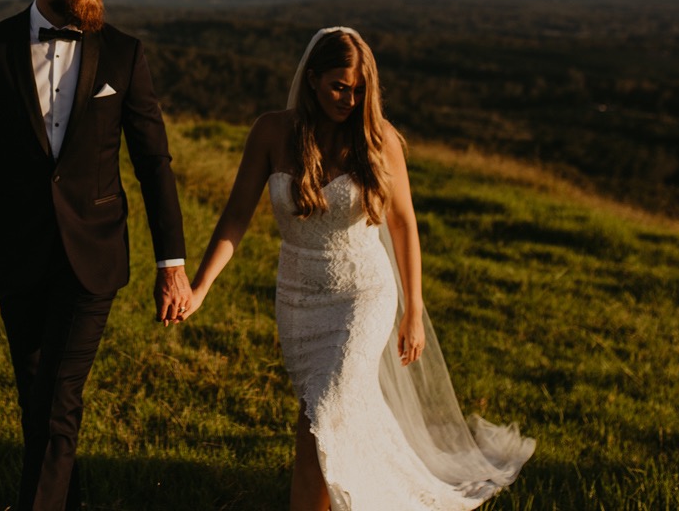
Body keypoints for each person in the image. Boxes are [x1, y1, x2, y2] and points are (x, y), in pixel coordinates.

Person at [186, 27, 534, 510]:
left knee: (322, 413)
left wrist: (414, 310)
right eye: (338, 87)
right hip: (297, 298)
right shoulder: (271, 132)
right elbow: (235, 216)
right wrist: (201, 287)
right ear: (311, 79)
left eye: (358, 90)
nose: (349, 100)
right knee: (321, 416)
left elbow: (403, 223)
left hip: (362, 293)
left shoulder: (379, 139)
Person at [0, 0, 192, 511]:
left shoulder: (124, 54)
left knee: (56, 402)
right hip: (17, 252)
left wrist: (171, 264)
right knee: (37, 399)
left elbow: (154, 163)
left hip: (94, 255)